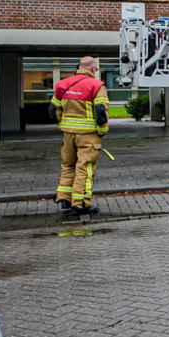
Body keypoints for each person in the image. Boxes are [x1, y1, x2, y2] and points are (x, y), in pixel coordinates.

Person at [51, 56, 109, 219]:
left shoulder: (62, 84)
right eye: (96, 69)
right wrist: (102, 131)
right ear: (92, 69)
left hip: (68, 134)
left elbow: (52, 109)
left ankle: (64, 198)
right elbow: (100, 112)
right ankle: (81, 203)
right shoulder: (96, 85)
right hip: (88, 135)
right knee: (85, 167)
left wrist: (63, 125)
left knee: (68, 165)